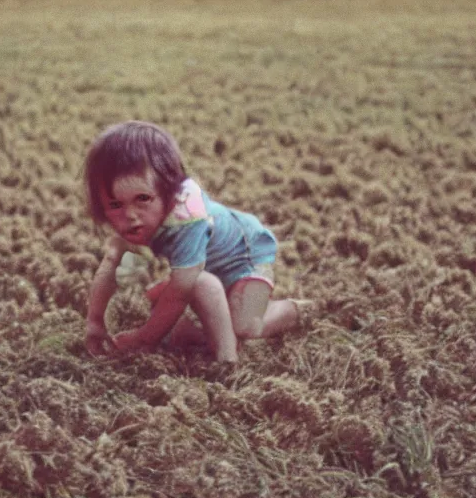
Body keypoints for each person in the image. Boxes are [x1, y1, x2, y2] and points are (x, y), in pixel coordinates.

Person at [82, 120, 310, 363]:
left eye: (143, 199)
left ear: (168, 191)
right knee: (173, 312)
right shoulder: (135, 221)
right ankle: (207, 329)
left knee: (245, 325)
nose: (130, 215)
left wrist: (144, 338)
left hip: (248, 258)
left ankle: (293, 311)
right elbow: (110, 264)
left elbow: (184, 288)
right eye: (115, 204)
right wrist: (94, 321)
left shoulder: (186, 220)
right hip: (204, 269)